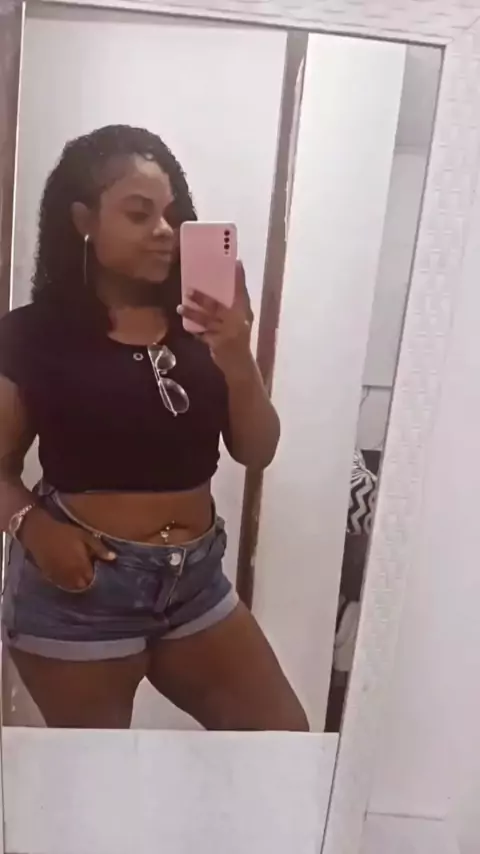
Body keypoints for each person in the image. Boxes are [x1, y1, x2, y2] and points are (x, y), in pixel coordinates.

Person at [0, 125, 308, 731]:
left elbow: (257, 450)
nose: (165, 231)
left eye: (172, 215)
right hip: (84, 589)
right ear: (83, 220)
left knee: (284, 745)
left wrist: (236, 354)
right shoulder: (31, 334)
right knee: (98, 778)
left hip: (196, 583)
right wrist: (33, 528)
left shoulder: (203, 326)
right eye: (140, 214)